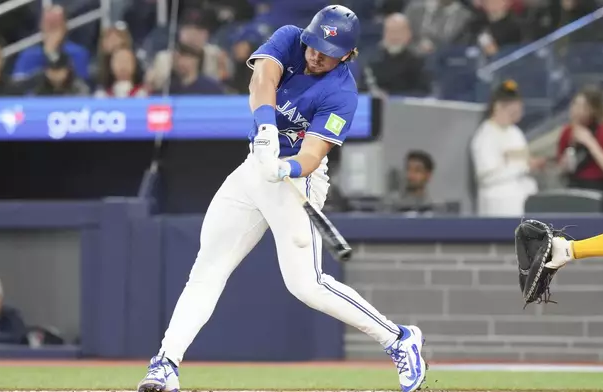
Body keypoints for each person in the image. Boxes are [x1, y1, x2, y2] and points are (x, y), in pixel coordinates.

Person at [137, 5, 427, 392]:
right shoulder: (291, 37)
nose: (315, 53)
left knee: (306, 285)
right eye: (314, 44)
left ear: (349, 55)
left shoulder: (342, 94)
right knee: (208, 268)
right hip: (254, 167)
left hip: (296, 182)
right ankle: (166, 364)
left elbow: (312, 155)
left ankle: (398, 338)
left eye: (327, 51)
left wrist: (288, 168)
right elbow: (262, 80)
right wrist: (267, 130)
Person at [470, 80, 545, 216]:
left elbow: (522, 160)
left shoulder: (515, 132)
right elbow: (486, 177)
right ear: (498, 106)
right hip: (499, 205)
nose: (518, 111)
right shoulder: (485, 136)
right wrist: (523, 167)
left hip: (523, 200)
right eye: (513, 107)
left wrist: (531, 164)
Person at [556, 86, 603, 211]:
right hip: (574, 188)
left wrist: (590, 143)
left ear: (593, 110)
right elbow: (559, 171)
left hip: (601, 190)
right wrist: (564, 164)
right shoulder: (567, 132)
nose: (576, 111)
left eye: (582, 107)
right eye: (574, 105)